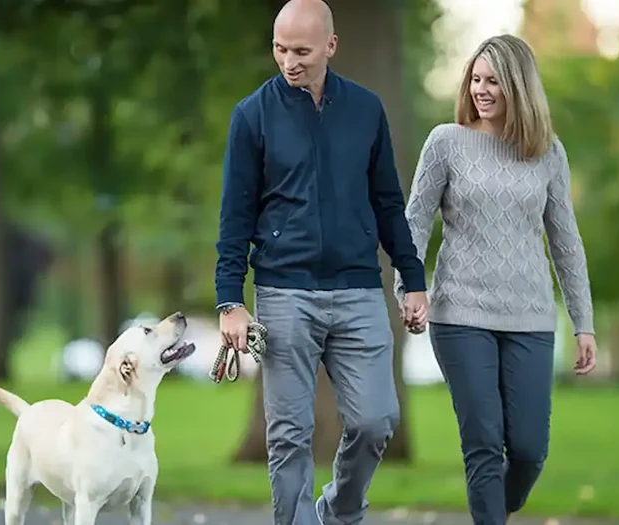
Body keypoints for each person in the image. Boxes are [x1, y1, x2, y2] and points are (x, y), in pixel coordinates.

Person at [213, 0, 429, 523]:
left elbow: (387, 202)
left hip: (358, 290)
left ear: (330, 46)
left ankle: (339, 509)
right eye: (280, 49)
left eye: (302, 51)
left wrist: (413, 279)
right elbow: (234, 216)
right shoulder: (252, 116)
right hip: (284, 292)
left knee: (377, 421)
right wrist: (228, 301)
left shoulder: (366, 109)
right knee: (288, 435)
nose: (289, 61)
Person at [396, 34, 598, 525]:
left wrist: (583, 321)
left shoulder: (548, 154)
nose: (481, 90)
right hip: (460, 313)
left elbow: (566, 241)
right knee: (483, 443)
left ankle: (490, 509)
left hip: (529, 315)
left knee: (529, 450)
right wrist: (410, 287)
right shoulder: (446, 142)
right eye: (476, 79)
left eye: (493, 82)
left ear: (519, 88)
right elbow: (414, 222)